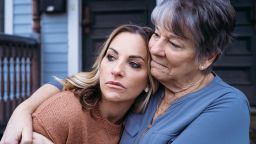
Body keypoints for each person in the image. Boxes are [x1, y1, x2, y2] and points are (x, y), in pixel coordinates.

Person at [1, 0, 250, 143]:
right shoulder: (152, 87)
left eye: (174, 44)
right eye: (157, 34)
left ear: (207, 57)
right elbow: (82, 82)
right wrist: (24, 109)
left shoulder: (226, 107)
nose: (156, 49)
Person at [0, 24, 158, 144]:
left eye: (134, 64)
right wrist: (24, 108)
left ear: (149, 83)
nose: (117, 70)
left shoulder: (141, 125)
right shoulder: (63, 113)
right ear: (100, 63)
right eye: (111, 57)